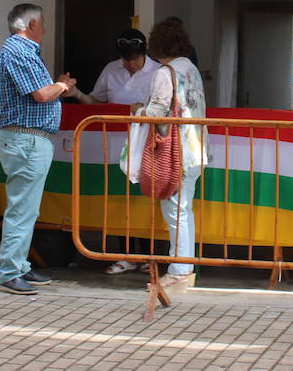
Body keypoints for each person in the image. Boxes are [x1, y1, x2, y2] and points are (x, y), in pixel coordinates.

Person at [0, 3, 76, 296]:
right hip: (25, 140)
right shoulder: (18, 52)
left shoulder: (21, 52)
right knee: (22, 208)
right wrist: (62, 87)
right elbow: (41, 94)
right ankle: (9, 273)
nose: (44, 29)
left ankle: (19, 266)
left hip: (27, 140)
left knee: (26, 208)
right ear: (30, 25)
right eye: (42, 23)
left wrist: (58, 86)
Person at [130, 17, 208, 292]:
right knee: (185, 210)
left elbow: (157, 112)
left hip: (175, 151)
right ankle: (185, 268)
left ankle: (179, 270)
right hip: (196, 148)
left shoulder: (166, 72)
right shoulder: (192, 70)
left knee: (175, 211)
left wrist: (137, 110)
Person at [69, 28, 159, 106]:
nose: (131, 64)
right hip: (112, 125)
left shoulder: (159, 72)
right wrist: (77, 94)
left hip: (145, 126)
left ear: (144, 53)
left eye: (135, 59)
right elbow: (96, 103)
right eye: (126, 60)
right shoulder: (111, 69)